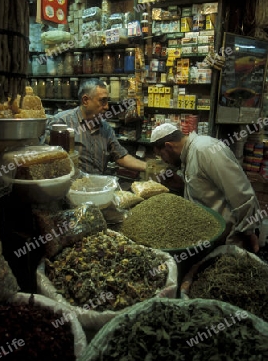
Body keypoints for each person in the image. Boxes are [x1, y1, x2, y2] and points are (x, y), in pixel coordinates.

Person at [150, 123, 260, 252]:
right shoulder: (188, 155)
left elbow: (239, 192)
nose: (164, 161)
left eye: (162, 156)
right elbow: (203, 187)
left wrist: (249, 231)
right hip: (208, 235)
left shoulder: (205, 150)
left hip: (228, 237)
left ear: (169, 146)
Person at [45, 78, 147, 175]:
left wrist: (149, 167)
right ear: (85, 100)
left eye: (107, 101)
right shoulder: (62, 122)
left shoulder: (105, 128)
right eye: (102, 101)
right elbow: (47, 159)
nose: (107, 106)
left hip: (97, 187)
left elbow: (121, 156)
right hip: (70, 188)